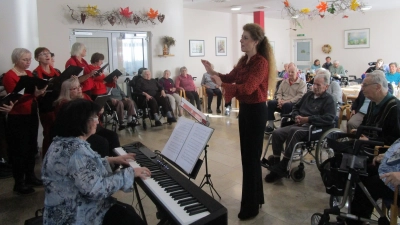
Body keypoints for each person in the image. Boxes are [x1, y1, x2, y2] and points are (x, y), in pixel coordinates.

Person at [201, 23, 276, 220]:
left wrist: (223, 84)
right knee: (248, 158)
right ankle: (256, 199)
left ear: (255, 42)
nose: (241, 41)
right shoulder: (244, 61)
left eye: (245, 38)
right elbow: (229, 77)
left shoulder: (261, 63)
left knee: (251, 159)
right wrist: (212, 71)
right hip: (245, 111)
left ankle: (250, 206)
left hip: (257, 112)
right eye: (242, 37)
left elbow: (249, 88)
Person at [42, 98, 149, 225]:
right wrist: (130, 173)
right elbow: (97, 190)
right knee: (130, 219)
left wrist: (111, 160)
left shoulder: (62, 142)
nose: (98, 121)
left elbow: (83, 170)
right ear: (81, 122)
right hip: (74, 215)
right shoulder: (76, 152)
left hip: (66, 208)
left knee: (128, 212)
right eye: (94, 118)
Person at [264, 73, 336, 183]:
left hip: (315, 127)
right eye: (314, 84)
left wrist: (308, 119)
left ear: (326, 86)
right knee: (277, 132)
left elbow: (330, 118)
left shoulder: (329, 99)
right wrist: (296, 116)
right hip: (299, 123)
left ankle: (284, 165)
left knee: (294, 131)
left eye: (318, 85)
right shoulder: (308, 95)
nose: (315, 87)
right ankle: (276, 162)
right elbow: (296, 107)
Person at [3, 48, 47, 195]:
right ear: (16, 60)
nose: (28, 62)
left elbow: (32, 95)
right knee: (19, 150)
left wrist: (39, 93)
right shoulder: (9, 76)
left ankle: (30, 176)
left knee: (31, 147)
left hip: (31, 113)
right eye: (24, 60)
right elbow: (15, 97)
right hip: (18, 116)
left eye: (29, 59)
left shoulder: (28, 74)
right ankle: (19, 182)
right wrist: (33, 94)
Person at [54, 77, 120, 157]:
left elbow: (92, 111)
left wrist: (99, 111)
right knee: (102, 142)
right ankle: (102, 165)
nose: (79, 90)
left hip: (91, 127)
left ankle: (116, 163)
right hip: (79, 132)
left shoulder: (84, 96)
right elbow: (75, 122)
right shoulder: (64, 104)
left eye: (79, 87)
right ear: (67, 91)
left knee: (113, 136)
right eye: (75, 88)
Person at [346, 139, 400, 225]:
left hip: (396, 184)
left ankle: (355, 220)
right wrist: (387, 156)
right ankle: (356, 219)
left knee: (368, 185)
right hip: (392, 169)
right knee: (361, 173)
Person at [351, 70, 400, 145]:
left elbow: (396, 139)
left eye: (365, 85)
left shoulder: (395, 107)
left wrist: (369, 140)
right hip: (366, 143)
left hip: (379, 150)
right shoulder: (372, 102)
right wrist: (359, 131)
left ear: (378, 87)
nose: (362, 88)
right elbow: (365, 123)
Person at [32, 47, 61, 158]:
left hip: (58, 104)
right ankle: (48, 159)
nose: (47, 55)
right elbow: (34, 92)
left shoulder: (57, 71)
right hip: (46, 105)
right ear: (37, 58)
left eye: (48, 53)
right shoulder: (35, 73)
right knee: (49, 133)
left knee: (60, 132)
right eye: (43, 54)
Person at [265, 65, 307, 133]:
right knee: (270, 103)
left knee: (286, 105)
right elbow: (279, 93)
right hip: (282, 101)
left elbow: (300, 96)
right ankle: (270, 126)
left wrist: (287, 101)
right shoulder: (284, 82)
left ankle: (282, 127)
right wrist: (279, 100)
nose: (290, 74)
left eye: (292, 72)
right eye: (289, 72)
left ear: (297, 72)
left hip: (293, 103)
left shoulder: (302, 84)